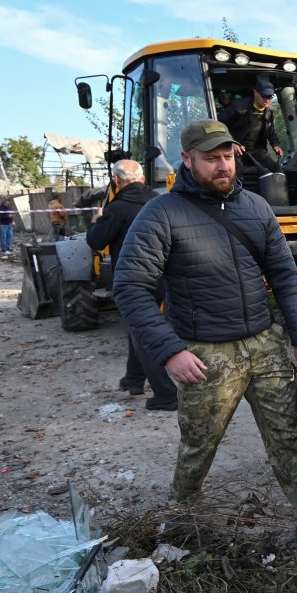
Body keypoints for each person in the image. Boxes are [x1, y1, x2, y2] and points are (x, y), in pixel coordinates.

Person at [113, 119, 297, 538]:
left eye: (227, 156)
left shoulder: (256, 207)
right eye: (211, 158)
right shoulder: (161, 214)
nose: (223, 165)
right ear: (187, 160)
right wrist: (171, 351)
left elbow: (285, 276)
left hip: (264, 343)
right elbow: (130, 286)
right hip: (206, 353)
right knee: (200, 442)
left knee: (287, 432)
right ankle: (183, 518)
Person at [87, 160, 177, 411]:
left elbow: (96, 241)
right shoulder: (161, 202)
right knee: (138, 326)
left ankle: (166, 395)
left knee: (143, 334)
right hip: (164, 277)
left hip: (134, 281)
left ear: (116, 180)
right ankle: (134, 380)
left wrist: (96, 221)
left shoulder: (116, 208)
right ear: (143, 179)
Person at [218, 77, 284, 173]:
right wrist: (230, 142)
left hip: (256, 149)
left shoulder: (269, 110)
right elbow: (219, 124)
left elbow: (270, 128)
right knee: (235, 174)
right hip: (236, 149)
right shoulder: (238, 107)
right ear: (255, 92)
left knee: (276, 171)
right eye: (264, 96)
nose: (267, 100)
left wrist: (275, 144)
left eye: (270, 97)